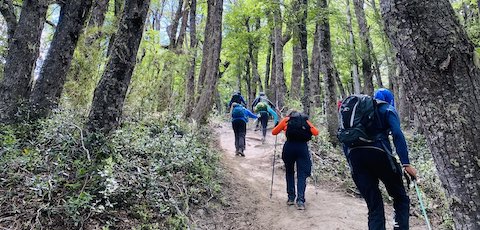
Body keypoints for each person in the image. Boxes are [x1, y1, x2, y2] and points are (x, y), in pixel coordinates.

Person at [341, 88, 417, 230]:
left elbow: (344, 139)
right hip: (380, 155)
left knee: (374, 206)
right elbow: (397, 134)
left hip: (356, 158)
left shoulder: (356, 114)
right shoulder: (387, 109)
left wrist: (352, 165)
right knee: (400, 198)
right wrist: (406, 163)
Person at [272, 111, 319, 210]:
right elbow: (316, 132)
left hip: (289, 147)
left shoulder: (286, 120)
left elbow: (274, 132)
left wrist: (282, 127)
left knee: (289, 172)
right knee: (301, 174)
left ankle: (290, 198)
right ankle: (300, 201)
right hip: (302, 148)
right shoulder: (305, 121)